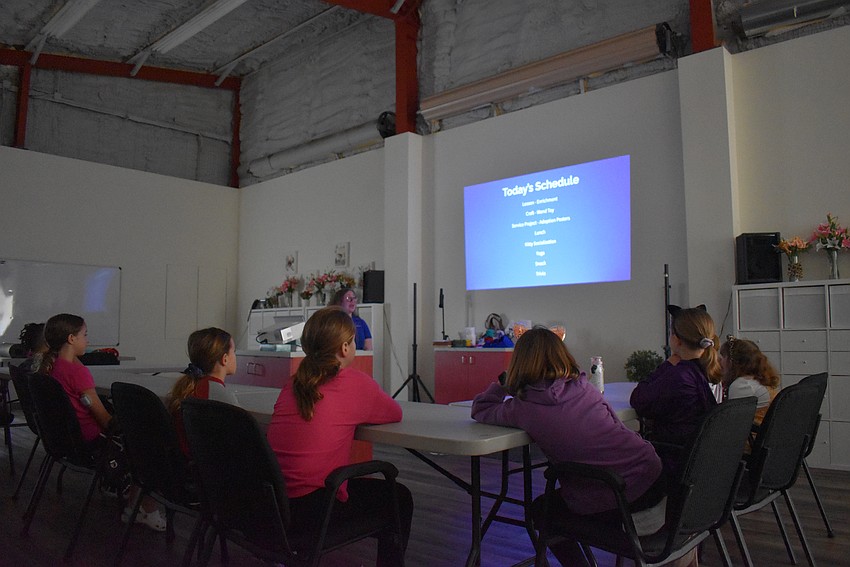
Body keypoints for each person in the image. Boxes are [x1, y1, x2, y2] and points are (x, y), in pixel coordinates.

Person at [472, 327, 666, 566]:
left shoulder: (523, 408)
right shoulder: (584, 386)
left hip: (621, 495)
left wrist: (504, 384)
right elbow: (618, 426)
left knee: (542, 511)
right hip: (653, 476)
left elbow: (480, 409)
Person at [266, 307, 411, 566]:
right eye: (353, 340)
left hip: (273, 505)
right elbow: (394, 412)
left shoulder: (293, 383)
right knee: (399, 497)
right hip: (314, 509)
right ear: (345, 347)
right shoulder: (356, 384)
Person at [37, 313, 166, 532]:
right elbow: (105, 421)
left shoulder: (55, 368)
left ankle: (123, 492)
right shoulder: (78, 373)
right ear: (71, 339)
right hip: (94, 441)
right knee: (151, 444)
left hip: (71, 440)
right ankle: (143, 510)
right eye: (84, 335)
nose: (87, 341)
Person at [630, 305, 721, 479]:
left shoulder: (678, 376)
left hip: (672, 461)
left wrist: (667, 365)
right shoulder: (706, 370)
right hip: (698, 462)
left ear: (676, 340)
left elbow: (639, 399)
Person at [168, 327, 240, 455]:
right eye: (233, 351)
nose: (235, 356)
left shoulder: (187, 386)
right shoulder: (220, 394)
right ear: (225, 359)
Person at [720, 335, 780, 426]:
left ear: (733, 362)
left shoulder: (742, 385)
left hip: (751, 437)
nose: (720, 361)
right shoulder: (758, 380)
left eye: (723, 356)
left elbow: (732, 423)